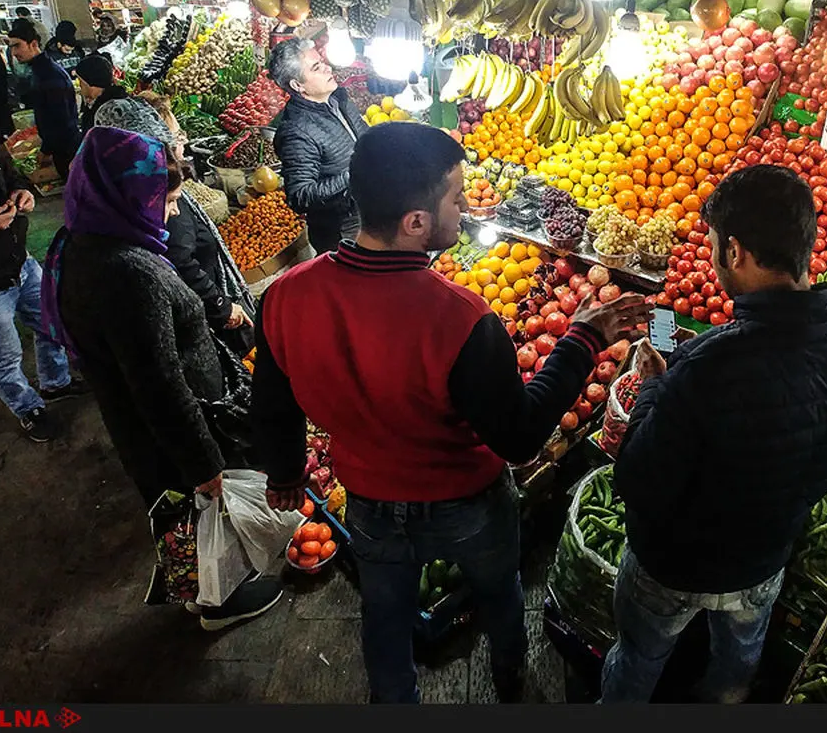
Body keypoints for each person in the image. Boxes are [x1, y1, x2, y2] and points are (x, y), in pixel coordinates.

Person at [253, 122, 651, 703]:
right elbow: (518, 436)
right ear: (417, 222)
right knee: (499, 591)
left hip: (366, 498)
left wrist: (286, 472)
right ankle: (511, 677)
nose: (466, 209)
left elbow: (273, 399)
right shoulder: (460, 318)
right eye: (457, 199)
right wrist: (582, 341)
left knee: (384, 614)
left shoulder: (284, 294)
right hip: (466, 502)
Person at [600, 165, 827, 704]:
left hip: (674, 565)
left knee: (639, 657)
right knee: (738, 660)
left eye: (715, 245)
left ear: (734, 251)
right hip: (765, 558)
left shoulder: (704, 368)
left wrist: (651, 386)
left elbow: (638, 479)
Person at [38, 127, 283, 630]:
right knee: (196, 509)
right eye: (166, 200)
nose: (172, 212)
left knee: (177, 518)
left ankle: (198, 594)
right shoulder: (129, 272)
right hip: (171, 427)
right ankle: (219, 604)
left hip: (138, 427)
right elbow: (159, 382)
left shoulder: (77, 241)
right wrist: (203, 462)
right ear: (126, 196)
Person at [95, 94, 256, 352]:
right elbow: (180, 260)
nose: (184, 142)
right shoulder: (158, 203)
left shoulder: (119, 195)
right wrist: (221, 306)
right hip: (201, 318)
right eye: (177, 136)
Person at [0, 119, 75, 442]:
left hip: (20, 261)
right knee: (5, 356)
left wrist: (22, 192)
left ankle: (55, 382)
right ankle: (28, 408)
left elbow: (12, 176)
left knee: (51, 319)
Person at [269, 37, 366, 254]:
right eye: (316, 67)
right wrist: (354, 174)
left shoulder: (337, 99)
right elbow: (300, 195)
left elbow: (363, 137)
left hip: (369, 208)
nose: (327, 68)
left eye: (322, 62)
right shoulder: (296, 132)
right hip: (344, 230)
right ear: (297, 85)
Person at [7, 20, 80, 182]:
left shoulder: (49, 75)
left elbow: (61, 118)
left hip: (65, 149)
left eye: (17, 46)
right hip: (61, 147)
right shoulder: (41, 71)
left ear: (33, 44)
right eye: (11, 46)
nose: (13, 52)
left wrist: (47, 149)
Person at [75, 53, 127, 135]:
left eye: (80, 81)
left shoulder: (104, 113)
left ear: (89, 84)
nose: (80, 86)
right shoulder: (120, 97)